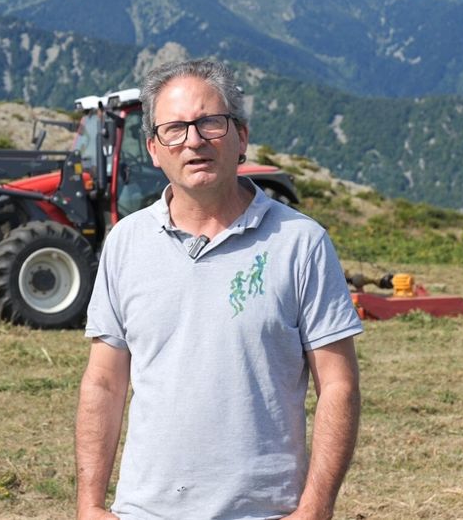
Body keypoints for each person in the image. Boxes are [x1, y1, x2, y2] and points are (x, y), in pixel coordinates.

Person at [75, 58, 363, 520]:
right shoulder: (125, 243)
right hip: (145, 511)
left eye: (210, 123)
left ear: (241, 136)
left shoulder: (300, 242)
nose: (193, 140)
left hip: (264, 512)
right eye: (175, 129)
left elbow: (339, 384)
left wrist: (315, 509)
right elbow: (104, 383)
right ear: (153, 148)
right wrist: (89, 504)